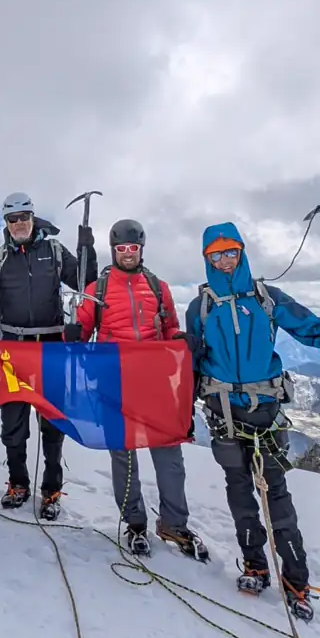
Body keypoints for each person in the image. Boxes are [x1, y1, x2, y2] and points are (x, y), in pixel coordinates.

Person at [185, 222, 320, 621]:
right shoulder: (200, 307)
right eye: (216, 255)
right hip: (224, 416)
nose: (225, 261)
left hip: (265, 414)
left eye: (230, 252)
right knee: (241, 496)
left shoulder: (267, 299)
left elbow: (316, 335)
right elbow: (191, 362)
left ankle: (296, 581)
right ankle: (255, 566)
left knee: (277, 500)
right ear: (207, 259)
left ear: (241, 252)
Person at [66, 219, 208, 561]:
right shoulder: (97, 288)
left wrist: (179, 339)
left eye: (132, 249)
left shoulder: (158, 287)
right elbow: (82, 332)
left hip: (153, 383)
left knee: (169, 455)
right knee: (124, 457)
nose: (127, 255)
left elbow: (169, 327)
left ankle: (174, 523)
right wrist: (72, 334)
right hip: (113, 382)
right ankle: (135, 523)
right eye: (121, 250)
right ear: (113, 251)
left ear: (141, 249)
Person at [0, 191, 95, 520]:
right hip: (11, 348)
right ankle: (18, 483)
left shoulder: (53, 251)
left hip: (51, 346)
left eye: (24, 216)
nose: (19, 223)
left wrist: (87, 249)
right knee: (13, 424)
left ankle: (51, 489)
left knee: (52, 422)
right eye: (13, 219)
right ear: (6, 223)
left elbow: (86, 282)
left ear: (33, 217)